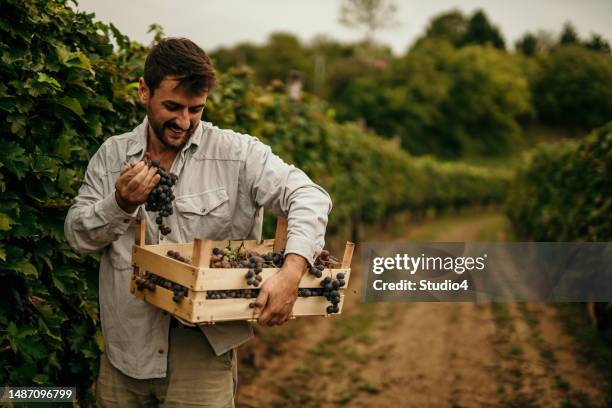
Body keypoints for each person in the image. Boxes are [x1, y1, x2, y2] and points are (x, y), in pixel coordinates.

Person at [64, 37, 332, 407]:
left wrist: (291, 272)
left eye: (196, 109)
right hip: (124, 354)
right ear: (144, 91)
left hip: (204, 352)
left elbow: (309, 196)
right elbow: (77, 236)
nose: (184, 121)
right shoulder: (112, 156)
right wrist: (119, 204)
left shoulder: (237, 155)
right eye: (172, 107)